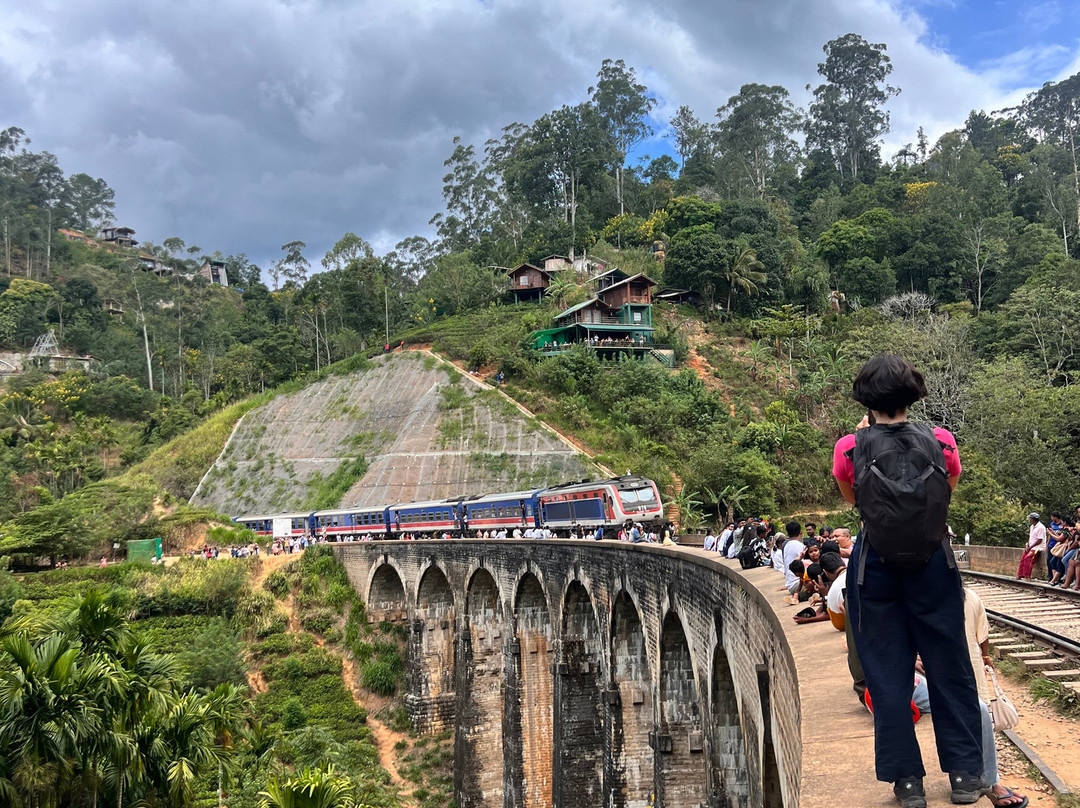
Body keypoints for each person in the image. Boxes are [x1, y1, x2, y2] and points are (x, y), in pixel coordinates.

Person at [835, 355, 984, 807]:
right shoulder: (941, 440)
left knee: (887, 673)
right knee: (949, 665)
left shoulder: (848, 447)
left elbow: (853, 499)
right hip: (932, 562)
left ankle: (907, 783)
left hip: (875, 567)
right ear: (913, 394)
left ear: (865, 398)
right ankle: (963, 776)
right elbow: (946, 492)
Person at [959, 588, 1029, 808]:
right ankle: (989, 781)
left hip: (957, 669)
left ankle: (987, 779)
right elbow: (983, 635)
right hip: (969, 667)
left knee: (978, 718)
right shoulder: (969, 596)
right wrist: (986, 656)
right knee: (980, 718)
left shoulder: (936, 595)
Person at [1017, 513, 1046, 581]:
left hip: (1037, 547)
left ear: (1033, 519)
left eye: (1030, 518)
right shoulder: (1032, 527)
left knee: (1028, 559)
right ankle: (1020, 574)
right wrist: (1028, 545)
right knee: (1023, 558)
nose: (1029, 520)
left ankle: (1027, 576)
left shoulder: (1041, 527)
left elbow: (1039, 540)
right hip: (1030, 546)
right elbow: (1031, 537)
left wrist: (1030, 547)